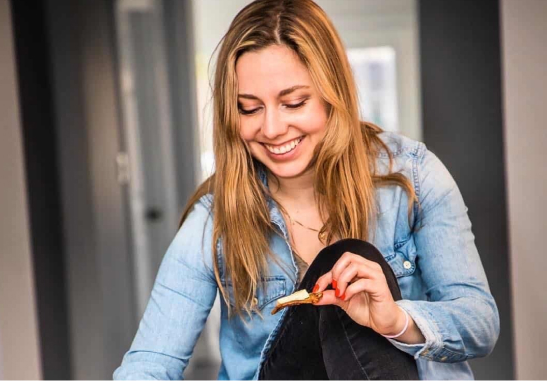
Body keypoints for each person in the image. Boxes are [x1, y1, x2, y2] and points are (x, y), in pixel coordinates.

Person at [113, 0, 499, 379]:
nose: (272, 128)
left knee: (353, 265)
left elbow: (479, 321)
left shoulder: (413, 177)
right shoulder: (215, 218)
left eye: (293, 103)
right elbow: (149, 362)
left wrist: (394, 320)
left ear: (333, 96)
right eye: (249, 108)